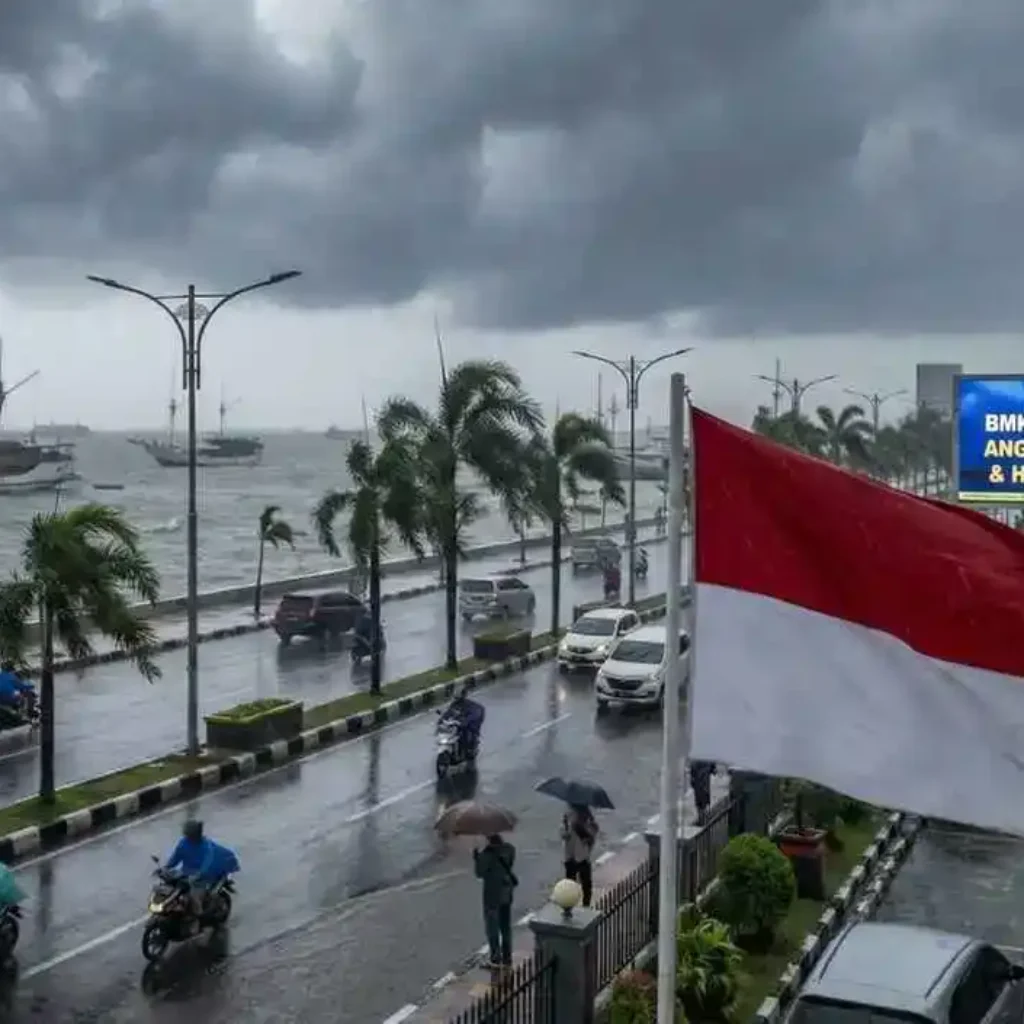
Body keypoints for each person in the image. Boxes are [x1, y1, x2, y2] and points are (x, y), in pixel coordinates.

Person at [164, 820, 239, 924]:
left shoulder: (206, 847)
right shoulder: (183, 843)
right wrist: (165, 867)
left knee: (194, 896)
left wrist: (197, 875)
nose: (187, 836)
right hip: (186, 873)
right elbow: (175, 857)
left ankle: (198, 920)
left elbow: (206, 865)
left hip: (204, 877)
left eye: (189, 834)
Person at [473, 833, 517, 968]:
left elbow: (479, 873)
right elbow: (509, 862)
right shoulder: (509, 849)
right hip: (506, 893)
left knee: (492, 927)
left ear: (488, 839)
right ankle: (507, 956)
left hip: (492, 895)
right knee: (505, 927)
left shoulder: (487, 855)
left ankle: (495, 958)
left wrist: (476, 858)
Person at [562, 804, 598, 907]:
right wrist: (567, 827)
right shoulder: (567, 818)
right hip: (571, 857)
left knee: (586, 886)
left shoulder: (588, 820)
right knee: (570, 886)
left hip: (583, 857)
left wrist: (587, 835)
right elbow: (563, 835)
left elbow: (593, 835)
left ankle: (585, 905)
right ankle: (568, 906)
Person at [442, 686, 485, 756]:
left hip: (476, 717)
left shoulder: (469, 705)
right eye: (455, 698)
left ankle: (473, 745)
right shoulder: (454, 704)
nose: (455, 700)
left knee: (471, 728)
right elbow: (448, 713)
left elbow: (473, 715)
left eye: (457, 698)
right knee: (455, 729)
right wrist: (441, 720)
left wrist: (465, 721)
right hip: (463, 718)